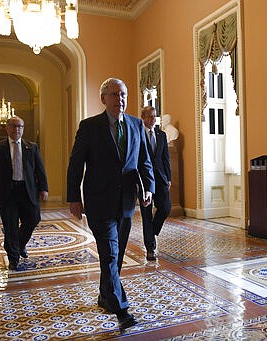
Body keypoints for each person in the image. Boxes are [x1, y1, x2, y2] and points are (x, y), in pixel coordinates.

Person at [67, 78, 154, 330]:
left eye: (123, 94)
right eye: (114, 94)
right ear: (103, 98)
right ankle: (121, 309)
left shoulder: (137, 125)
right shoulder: (89, 126)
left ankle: (105, 296)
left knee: (114, 258)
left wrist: (148, 187)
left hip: (126, 202)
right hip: (98, 201)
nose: (120, 99)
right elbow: (76, 164)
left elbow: (144, 161)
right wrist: (74, 197)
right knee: (110, 253)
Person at [0, 116, 49, 271]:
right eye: (13, 126)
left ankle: (19, 245)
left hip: (27, 191)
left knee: (33, 218)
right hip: (8, 193)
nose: (17, 129)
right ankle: (13, 258)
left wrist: (44, 188)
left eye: (20, 127)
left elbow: (40, 170)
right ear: (7, 128)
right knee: (11, 227)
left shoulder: (31, 147)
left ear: (23, 129)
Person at [140, 106, 171, 261]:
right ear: (143, 117)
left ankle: (151, 232)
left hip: (160, 178)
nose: (153, 119)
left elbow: (166, 158)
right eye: (150, 117)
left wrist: (169, 178)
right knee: (146, 214)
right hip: (144, 180)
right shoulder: (138, 135)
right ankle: (150, 248)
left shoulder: (161, 135)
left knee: (165, 208)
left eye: (154, 116)